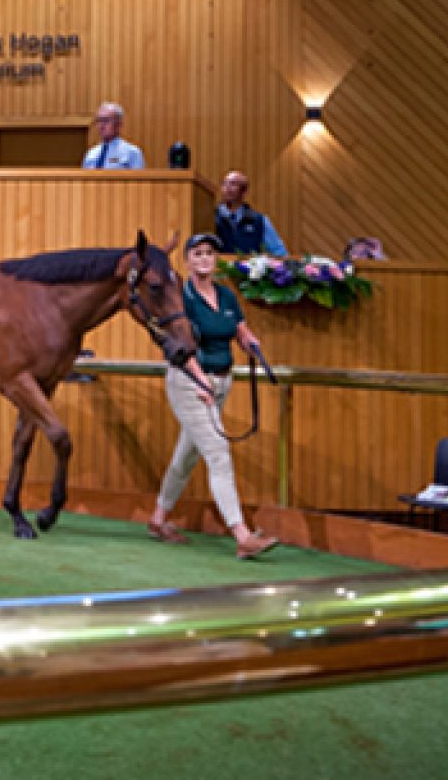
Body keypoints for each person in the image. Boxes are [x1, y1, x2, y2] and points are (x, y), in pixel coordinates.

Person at [146, 233, 279, 560]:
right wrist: (200, 380)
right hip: (190, 382)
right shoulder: (182, 297)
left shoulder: (226, 296)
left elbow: (240, 330)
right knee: (218, 453)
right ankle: (243, 536)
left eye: (210, 253)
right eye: (198, 253)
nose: (205, 259)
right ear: (188, 260)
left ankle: (158, 519)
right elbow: (179, 342)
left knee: (187, 455)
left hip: (222, 380)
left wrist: (249, 342)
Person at [212, 171, 286, 256]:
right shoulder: (211, 217)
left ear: (244, 191)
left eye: (233, 184)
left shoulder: (259, 220)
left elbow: (279, 252)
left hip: (248, 268)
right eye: (224, 184)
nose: (227, 187)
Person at [81, 102, 145, 169]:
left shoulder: (132, 153)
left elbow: (138, 179)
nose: (101, 125)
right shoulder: (91, 153)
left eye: (105, 120)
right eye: (99, 120)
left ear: (118, 124)